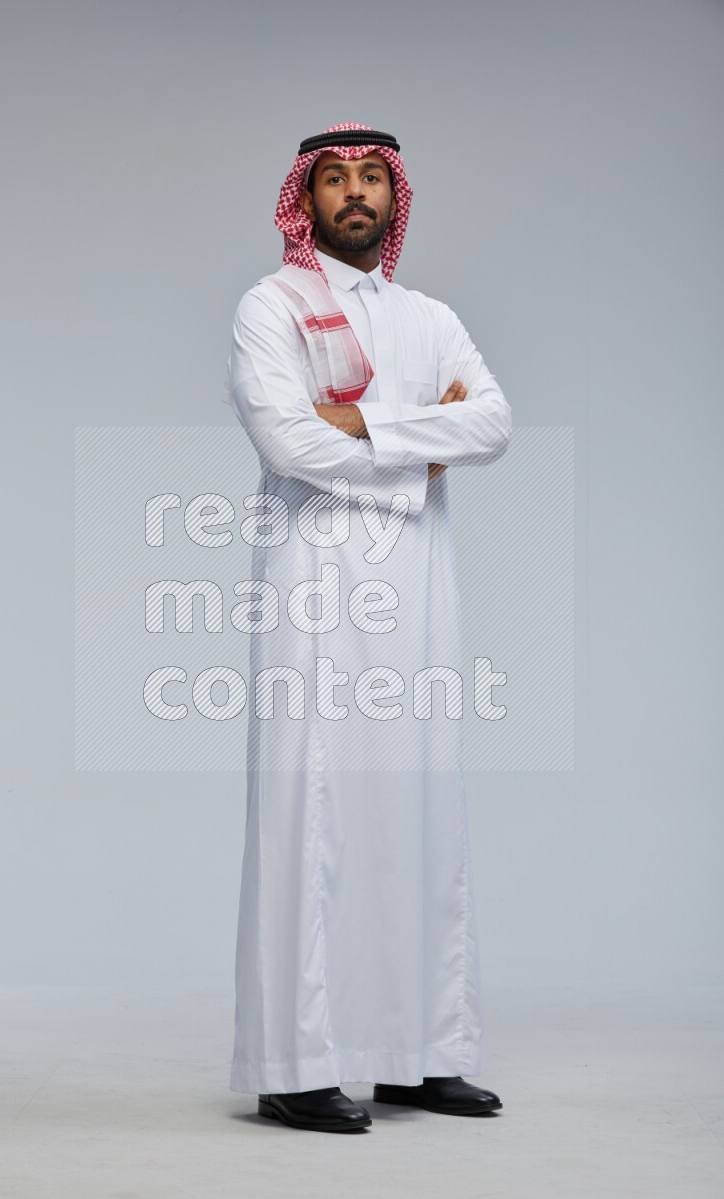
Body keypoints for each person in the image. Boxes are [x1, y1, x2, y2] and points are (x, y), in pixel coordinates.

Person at [223, 122, 512, 1134]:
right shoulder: (273, 305)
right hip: (316, 586)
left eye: (372, 178)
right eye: (335, 178)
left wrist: (361, 421)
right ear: (305, 200)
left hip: (418, 594)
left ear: (395, 197)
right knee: (313, 812)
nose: (354, 192)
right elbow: (285, 439)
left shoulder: (432, 317)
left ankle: (418, 1053)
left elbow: (491, 423)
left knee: (417, 808)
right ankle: (294, 1063)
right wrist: (417, 447)